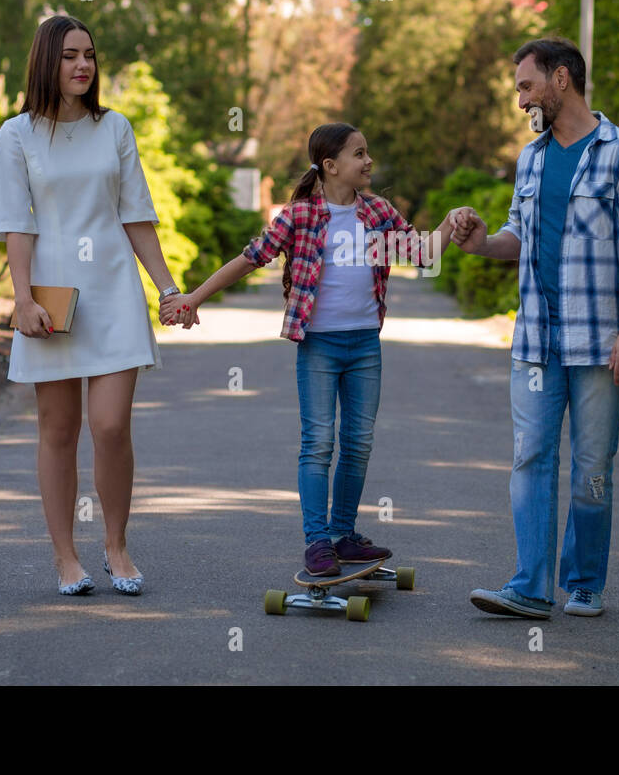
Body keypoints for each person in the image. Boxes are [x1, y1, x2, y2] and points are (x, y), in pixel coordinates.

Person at [160, 123, 453, 576]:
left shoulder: (376, 212)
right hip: (318, 346)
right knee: (318, 444)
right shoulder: (299, 217)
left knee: (358, 443)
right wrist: (193, 298)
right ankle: (318, 542)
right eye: (360, 154)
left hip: (364, 346)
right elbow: (250, 257)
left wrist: (452, 223)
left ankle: (343, 534)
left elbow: (421, 253)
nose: (368, 161)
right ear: (332, 166)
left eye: (367, 151)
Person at [451, 36, 619, 618]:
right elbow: (516, 236)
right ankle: (529, 586)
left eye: (526, 85)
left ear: (562, 79)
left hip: (600, 341)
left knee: (592, 467)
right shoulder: (532, 157)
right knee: (530, 459)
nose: (521, 100)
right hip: (535, 342)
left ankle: (584, 582)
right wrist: (479, 243)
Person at [0, 15, 188, 596]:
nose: (83, 65)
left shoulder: (115, 128)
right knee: (57, 428)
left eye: (90, 56)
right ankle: (65, 558)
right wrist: (20, 298)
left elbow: (136, 216)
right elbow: (15, 226)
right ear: (46, 62)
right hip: (51, 299)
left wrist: (167, 288)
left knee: (110, 424)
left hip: (112, 292)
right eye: (71, 55)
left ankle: (117, 546)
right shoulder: (16, 135)